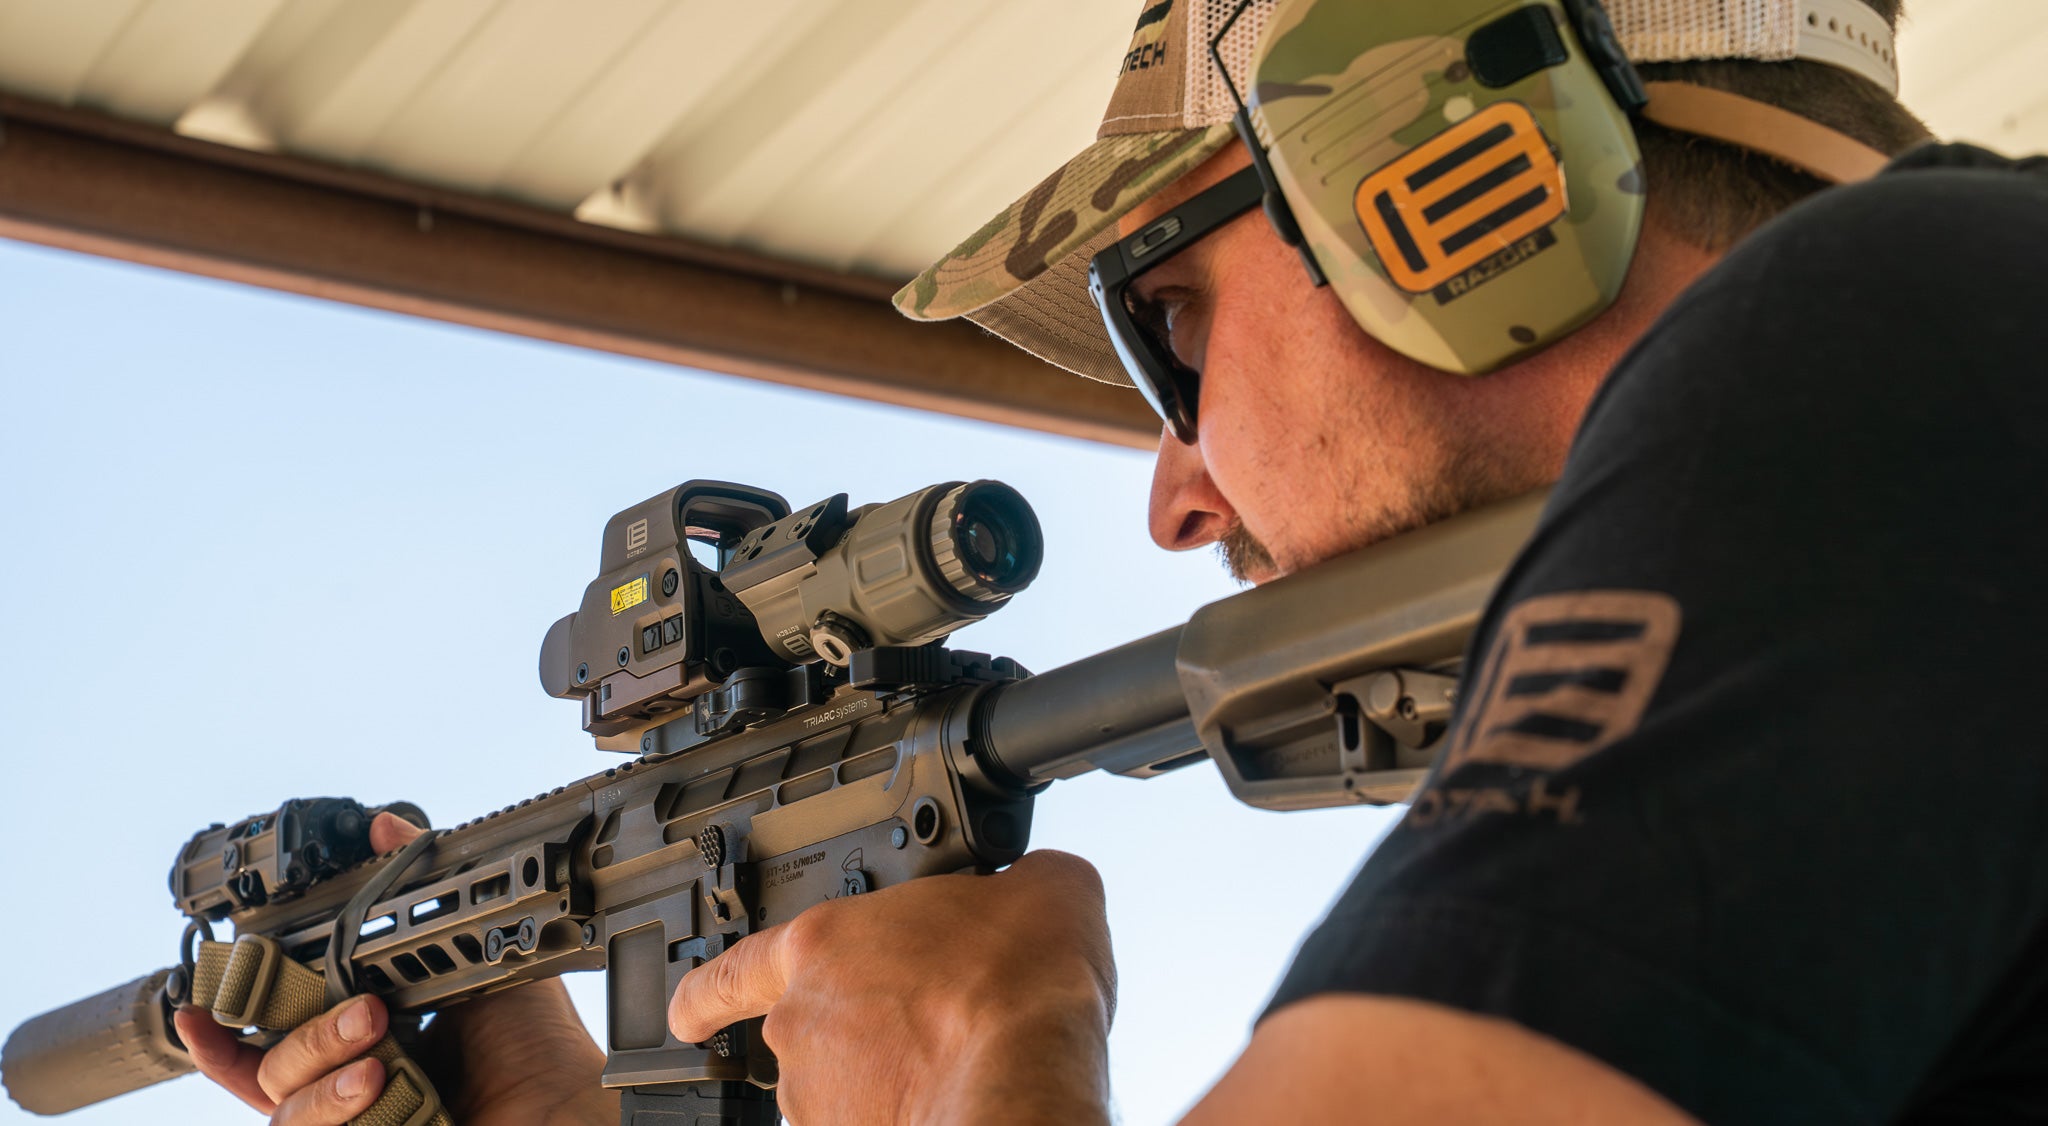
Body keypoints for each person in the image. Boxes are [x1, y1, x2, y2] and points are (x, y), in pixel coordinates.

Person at [177, 0, 2048, 1122]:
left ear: (1448, 175)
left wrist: (993, 1058)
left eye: (1170, 323)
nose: (1175, 493)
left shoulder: (1891, 337)